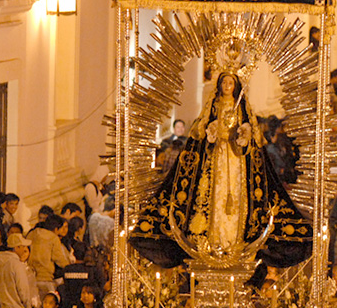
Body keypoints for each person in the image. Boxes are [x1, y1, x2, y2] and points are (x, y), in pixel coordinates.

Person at [129, 71, 312, 269]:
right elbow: (199, 131)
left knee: (235, 199)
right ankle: (215, 241)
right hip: (216, 159)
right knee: (216, 196)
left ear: (236, 86)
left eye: (231, 83)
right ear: (219, 85)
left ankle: (234, 242)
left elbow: (252, 135)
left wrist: (244, 135)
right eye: (224, 82)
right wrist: (212, 131)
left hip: (236, 160)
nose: (227, 86)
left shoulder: (241, 107)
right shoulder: (214, 105)